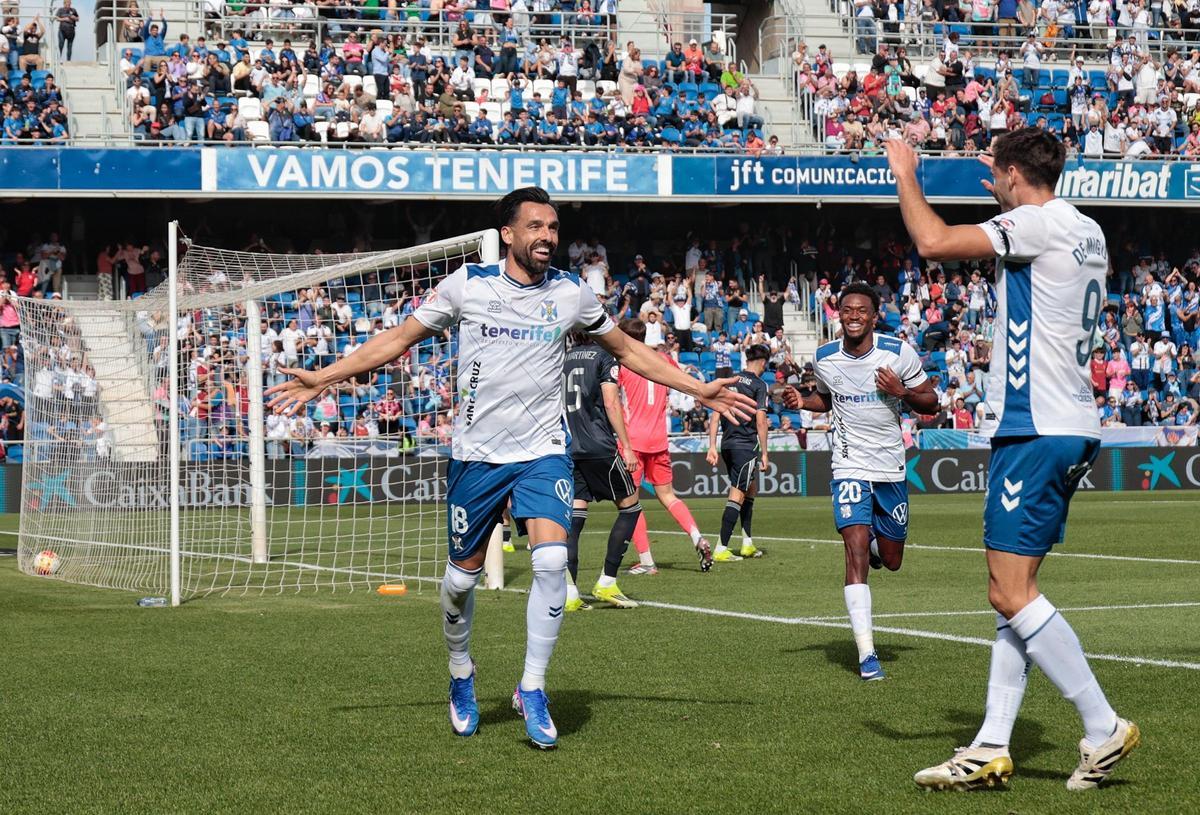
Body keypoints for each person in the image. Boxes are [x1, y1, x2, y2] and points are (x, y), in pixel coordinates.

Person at [266, 187, 754, 751]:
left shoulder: (571, 295)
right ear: (508, 233)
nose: (547, 236)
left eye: (553, 227)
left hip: (544, 451)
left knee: (550, 559)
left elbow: (628, 351)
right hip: (477, 456)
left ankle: (533, 686)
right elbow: (399, 339)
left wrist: (699, 389)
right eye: (535, 226)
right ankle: (460, 673)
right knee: (459, 582)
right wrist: (325, 377)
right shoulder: (468, 286)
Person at [885, 130, 1139, 790]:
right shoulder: (1086, 229)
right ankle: (992, 742)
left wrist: (905, 172)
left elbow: (933, 242)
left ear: (1018, 173)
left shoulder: (1032, 222)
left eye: (996, 169)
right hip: (1072, 423)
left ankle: (1101, 722)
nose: (989, 176)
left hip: (1034, 428)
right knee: (1012, 597)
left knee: (1008, 590)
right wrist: (1007, 196)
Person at [784, 283, 936, 680]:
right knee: (852, 551)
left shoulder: (897, 351)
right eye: (847, 310)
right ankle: (867, 654)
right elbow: (827, 398)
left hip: (890, 468)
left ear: (872, 316)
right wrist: (803, 401)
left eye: (861, 311)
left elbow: (931, 403)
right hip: (848, 463)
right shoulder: (824, 357)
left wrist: (900, 391)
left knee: (891, 560)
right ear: (839, 314)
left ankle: (874, 542)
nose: (853, 316)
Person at [618, 318, 715, 574]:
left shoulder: (623, 364)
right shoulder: (665, 361)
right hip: (659, 439)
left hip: (633, 442)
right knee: (669, 496)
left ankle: (647, 560)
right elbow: (685, 379)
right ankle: (697, 537)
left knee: (631, 502)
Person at [562, 332, 643, 611]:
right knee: (630, 508)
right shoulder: (603, 356)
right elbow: (611, 402)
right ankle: (607, 581)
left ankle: (570, 592)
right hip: (599, 446)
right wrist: (627, 446)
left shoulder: (564, 357)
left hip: (570, 445)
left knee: (574, 520)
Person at [706, 343, 770, 561]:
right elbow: (761, 420)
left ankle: (747, 543)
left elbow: (715, 414)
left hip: (728, 445)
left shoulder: (731, 380)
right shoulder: (760, 384)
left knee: (750, 490)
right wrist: (764, 452)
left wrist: (712, 445)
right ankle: (721, 547)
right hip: (746, 445)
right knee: (738, 493)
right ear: (763, 363)